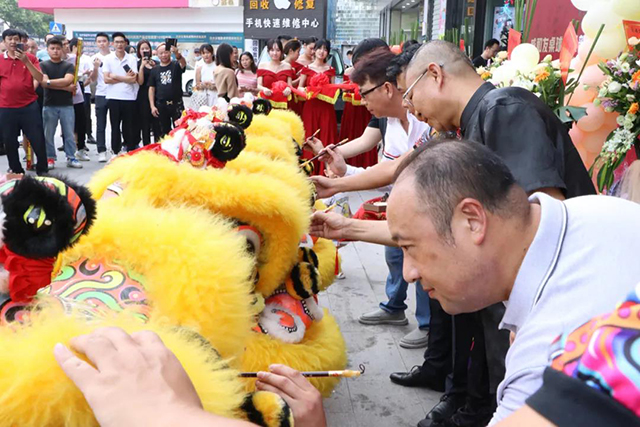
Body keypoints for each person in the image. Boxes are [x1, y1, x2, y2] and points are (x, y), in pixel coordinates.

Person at [312, 139, 640, 424]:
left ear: (472, 221)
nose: (409, 272)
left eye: (411, 249)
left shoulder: (545, 368)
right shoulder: (603, 210)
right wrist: (350, 229)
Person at [0, 29, 48, 174]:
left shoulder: (31, 58)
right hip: (6, 107)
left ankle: (42, 168)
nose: (13, 42)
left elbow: (40, 79)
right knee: (10, 141)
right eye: (10, 39)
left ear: (21, 41)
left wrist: (26, 62)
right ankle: (16, 169)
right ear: (4, 42)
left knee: (37, 139)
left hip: (29, 106)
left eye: (16, 39)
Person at [39, 36, 81, 169]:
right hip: (49, 104)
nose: (55, 51)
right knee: (48, 134)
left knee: (69, 133)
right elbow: (44, 83)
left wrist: (50, 83)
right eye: (52, 48)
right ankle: (50, 158)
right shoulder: (43, 65)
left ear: (62, 49)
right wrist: (64, 87)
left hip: (67, 105)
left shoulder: (68, 65)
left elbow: (68, 80)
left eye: (58, 48)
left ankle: (71, 157)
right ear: (47, 50)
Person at [299, 39, 338, 175]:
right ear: (314, 50)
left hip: (326, 108)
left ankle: (328, 170)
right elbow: (300, 87)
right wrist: (309, 91)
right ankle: (308, 169)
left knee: (326, 135)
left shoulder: (330, 70)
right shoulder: (307, 69)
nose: (322, 51)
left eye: (325, 49)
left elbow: (333, 89)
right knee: (310, 136)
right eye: (319, 48)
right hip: (311, 107)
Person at [103, 31, 139, 154]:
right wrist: (124, 78)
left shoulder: (132, 59)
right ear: (113, 44)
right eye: (117, 42)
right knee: (115, 126)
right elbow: (106, 79)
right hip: (113, 97)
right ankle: (115, 151)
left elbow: (133, 79)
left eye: (122, 42)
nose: (119, 45)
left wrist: (115, 76)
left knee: (128, 126)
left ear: (125, 43)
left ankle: (129, 150)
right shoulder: (108, 59)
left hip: (129, 97)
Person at [149, 42, 186, 139]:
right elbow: (151, 88)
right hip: (161, 105)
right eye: (161, 53)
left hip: (176, 104)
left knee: (180, 130)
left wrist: (177, 54)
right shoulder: (154, 70)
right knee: (163, 132)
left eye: (166, 52)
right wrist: (152, 106)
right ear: (157, 55)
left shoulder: (176, 65)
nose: (164, 55)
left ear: (170, 53)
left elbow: (183, 63)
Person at [90, 32, 112, 162]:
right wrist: (96, 68)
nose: (102, 43)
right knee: (100, 124)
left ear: (109, 43)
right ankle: (101, 150)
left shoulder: (114, 57)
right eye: (99, 41)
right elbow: (92, 79)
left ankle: (116, 149)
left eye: (104, 41)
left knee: (116, 123)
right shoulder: (93, 58)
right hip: (100, 94)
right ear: (96, 43)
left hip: (114, 94)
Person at [68, 37, 90, 162]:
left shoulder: (75, 59)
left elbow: (80, 75)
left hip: (78, 95)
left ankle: (80, 148)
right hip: (63, 97)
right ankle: (69, 152)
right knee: (68, 126)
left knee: (81, 123)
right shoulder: (59, 60)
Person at [134, 39, 160, 146]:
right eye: (142, 49)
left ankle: (158, 147)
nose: (145, 50)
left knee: (157, 123)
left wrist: (154, 67)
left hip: (156, 95)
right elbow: (140, 82)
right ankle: (146, 146)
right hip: (143, 96)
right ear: (139, 51)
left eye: (147, 48)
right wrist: (142, 66)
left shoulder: (156, 63)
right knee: (144, 124)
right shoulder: (136, 64)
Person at [256, 39, 293, 109]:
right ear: (268, 52)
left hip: (282, 102)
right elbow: (258, 85)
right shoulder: (262, 65)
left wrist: (288, 89)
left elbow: (290, 85)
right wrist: (264, 89)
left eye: (278, 50)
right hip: (266, 101)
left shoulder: (287, 66)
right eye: (272, 50)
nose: (275, 53)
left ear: (281, 52)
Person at [283, 39, 304, 115]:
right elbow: (287, 84)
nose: (298, 55)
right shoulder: (284, 65)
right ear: (291, 51)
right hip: (287, 97)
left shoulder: (291, 65)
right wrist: (299, 79)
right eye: (298, 52)